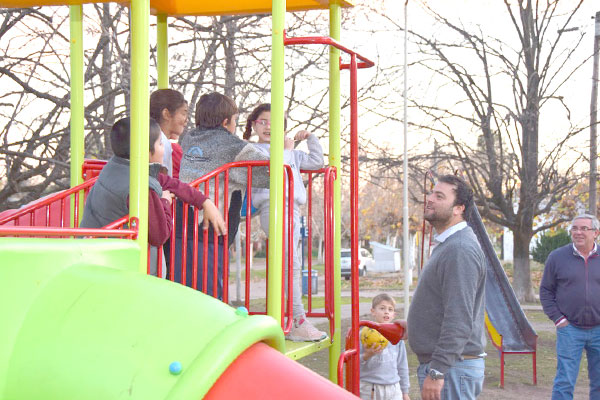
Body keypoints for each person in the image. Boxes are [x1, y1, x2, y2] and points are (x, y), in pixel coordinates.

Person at [243, 103, 326, 342]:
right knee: (291, 262)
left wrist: (310, 138)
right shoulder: (253, 150)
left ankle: (290, 318)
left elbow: (316, 162)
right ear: (254, 125)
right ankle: (297, 320)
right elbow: (276, 176)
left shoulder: (292, 153)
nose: (269, 127)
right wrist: (287, 151)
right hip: (274, 206)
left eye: (275, 123)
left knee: (292, 262)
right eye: (263, 122)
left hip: (292, 209)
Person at [175, 92, 270, 298]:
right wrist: (286, 151)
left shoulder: (189, 138)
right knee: (208, 291)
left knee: (182, 288)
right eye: (235, 120)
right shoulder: (234, 147)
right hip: (211, 227)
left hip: (180, 223)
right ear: (226, 122)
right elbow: (270, 175)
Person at [80, 117, 225, 249]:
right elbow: (160, 235)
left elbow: (170, 183)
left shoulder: (118, 167)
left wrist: (204, 201)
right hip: (118, 260)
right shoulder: (140, 187)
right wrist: (165, 201)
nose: (164, 149)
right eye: (160, 144)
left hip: (92, 249)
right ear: (147, 152)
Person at [404, 174, 486, 400]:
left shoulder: (460, 249)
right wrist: (415, 325)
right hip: (451, 367)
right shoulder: (449, 244)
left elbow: (459, 318)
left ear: (459, 208)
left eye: (439, 196)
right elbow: (444, 304)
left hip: (452, 369)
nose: (430, 199)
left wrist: (438, 371)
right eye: (431, 193)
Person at [540, 213, 600, 400]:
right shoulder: (557, 257)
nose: (578, 232)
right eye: (575, 228)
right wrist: (559, 320)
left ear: (596, 233)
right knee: (564, 381)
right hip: (569, 329)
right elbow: (546, 291)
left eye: (584, 228)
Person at [360, 293, 410, 400]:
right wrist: (366, 355)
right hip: (370, 387)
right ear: (373, 311)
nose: (386, 312)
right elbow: (352, 362)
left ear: (394, 315)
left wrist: (405, 392)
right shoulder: (364, 334)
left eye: (390, 309)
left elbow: (402, 365)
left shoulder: (397, 335)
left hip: (393, 387)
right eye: (382, 308)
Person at [149, 89, 189, 179]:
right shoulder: (161, 142)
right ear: (166, 114)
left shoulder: (153, 137)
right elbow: (163, 181)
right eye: (183, 113)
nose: (187, 120)